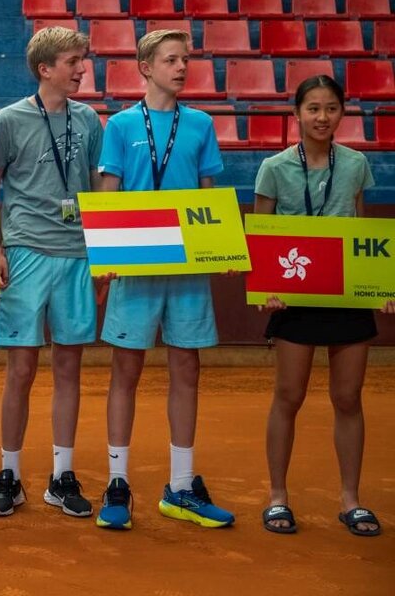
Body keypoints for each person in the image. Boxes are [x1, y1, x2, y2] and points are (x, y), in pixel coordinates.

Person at [95, 30, 234, 531]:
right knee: (125, 371)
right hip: (134, 266)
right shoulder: (120, 125)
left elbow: (208, 192)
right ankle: (117, 484)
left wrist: (220, 244)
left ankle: (181, 486)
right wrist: (105, 256)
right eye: (171, 60)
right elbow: (108, 192)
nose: (181, 68)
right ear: (145, 67)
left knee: (187, 369)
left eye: (185, 60)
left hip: (186, 267)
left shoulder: (200, 124)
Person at [255, 75, 392, 537]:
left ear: (342, 113)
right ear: (296, 113)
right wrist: (267, 288)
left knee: (348, 398)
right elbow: (262, 236)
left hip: (345, 297)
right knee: (289, 396)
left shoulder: (356, 164)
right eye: (313, 108)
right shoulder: (273, 167)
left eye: (331, 108)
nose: (322, 117)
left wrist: (378, 287)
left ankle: (351, 499)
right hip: (294, 297)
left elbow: (362, 232)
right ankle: (277, 496)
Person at [0, 27, 104, 519]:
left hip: (77, 255)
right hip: (25, 252)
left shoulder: (88, 118)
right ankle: (9, 474)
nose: (81, 69)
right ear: (45, 68)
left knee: (69, 369)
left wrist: (103, 255)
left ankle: (61, 475)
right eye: (73, 61)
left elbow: (97, 188)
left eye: (82, 60)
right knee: (21, 370)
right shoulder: (9, 119)